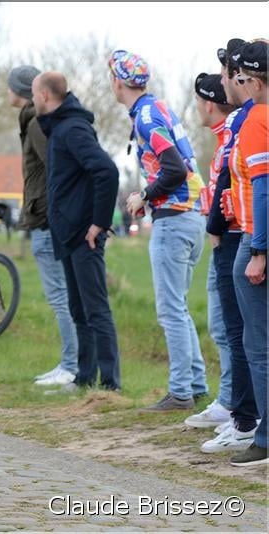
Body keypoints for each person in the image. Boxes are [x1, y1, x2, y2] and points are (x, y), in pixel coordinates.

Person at [114, 50, 209, 411]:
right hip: (191, 217)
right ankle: (196, 384)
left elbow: (173, 170)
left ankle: (181, 392)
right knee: (179, 307)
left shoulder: (146, 119)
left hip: (173, 219)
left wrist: (144, 197)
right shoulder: (159, 108)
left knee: (170, 311)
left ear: (118, 82)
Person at [32, 71, 121, 392]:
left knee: (96, 310)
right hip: (67, 234)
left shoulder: (72, 129)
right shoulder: (58, 128)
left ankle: (110, 385)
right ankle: (85, 378)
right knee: (78, 309)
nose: (32, 100)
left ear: (44, 96)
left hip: (86, 235)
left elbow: (107, 171)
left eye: (33, 94)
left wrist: (99, 222)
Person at [197, 40, 260, 455]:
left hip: (244, 236)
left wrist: (222, 225)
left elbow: (247, 184)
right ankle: (240, 412)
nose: (225, 81)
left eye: (228, 74)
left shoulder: (248, 121)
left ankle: (246, 418)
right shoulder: (239, 122)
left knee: (244, 336)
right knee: (236, 334)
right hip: (238, 235)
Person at [7, 64, 78, 386]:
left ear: (21, 91)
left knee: (60, 297)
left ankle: (71, 365)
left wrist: (50, 214)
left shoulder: (35, 123)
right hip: (44, 219)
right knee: (60, 296)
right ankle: (69, 362)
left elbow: (55, 170)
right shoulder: (31, 121)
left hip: (47, 222)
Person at [185, 72, 236, 431]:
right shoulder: (222, 139)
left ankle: (236, 405)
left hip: (230, 241)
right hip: (223, 239)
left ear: (207, 104)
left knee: (229, 328)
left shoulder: (229, 138)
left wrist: (216, 229)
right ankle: (231, 399)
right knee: (223, 328)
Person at [227, 39, 268, 467]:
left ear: (253, 81)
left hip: (257, 240)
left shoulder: (257, 118)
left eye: (240, 78)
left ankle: (268, 438)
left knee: (258, 346)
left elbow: (264, 186)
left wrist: (259, 249)